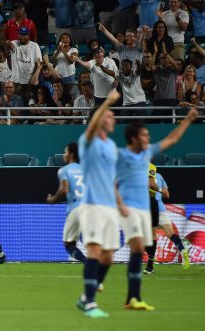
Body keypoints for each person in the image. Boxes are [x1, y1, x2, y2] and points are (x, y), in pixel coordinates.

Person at [115, 109, 198, 311]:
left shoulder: (146, 155)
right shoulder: (121, 157)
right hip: (130, 209)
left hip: (145, 210)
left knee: (136, 251)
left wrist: (187, 120)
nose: (148, 138)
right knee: (134, 249)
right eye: (144, 134)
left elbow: (171, 140)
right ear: (134, 138)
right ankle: (106, 293)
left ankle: (132, 298)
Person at [75, 89, 123, 319]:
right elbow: (93, 123)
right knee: (94, 251)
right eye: (108, 116)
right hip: (92, 204)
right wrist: (108, 102)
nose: (112, 118)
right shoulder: (88, 140)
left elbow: (111, 179)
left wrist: (120, 204)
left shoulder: (111, 147)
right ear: (99, 118)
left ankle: (86, 297)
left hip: (109, 207)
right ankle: (91, 303)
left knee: (108, 258)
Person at [145, 164, 190, 274]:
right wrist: (160, 192)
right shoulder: (159, 176)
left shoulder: (141, 174)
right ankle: (182, 249)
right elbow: (167, 195)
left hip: (149, 207)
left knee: (151, 236)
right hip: (161, 208)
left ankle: (150, 266)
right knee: (170, 233)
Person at [46, 143, 86, 263]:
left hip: (75, 209)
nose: (64, 155)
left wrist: (52, 200)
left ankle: (88, 263)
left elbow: (64, 189)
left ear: (72, 155)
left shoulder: (64, 171)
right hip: (91, 208)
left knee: (69, 244)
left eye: (65, 152)